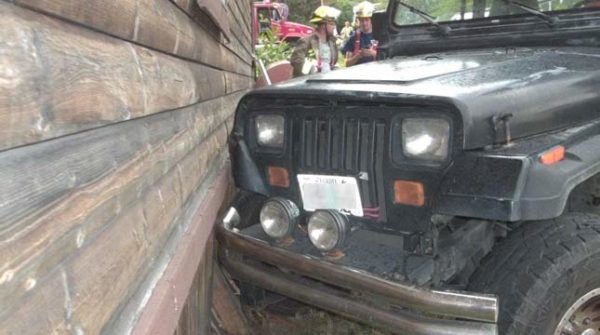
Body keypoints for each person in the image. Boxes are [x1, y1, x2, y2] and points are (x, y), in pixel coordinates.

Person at [290, 6, 339, 77]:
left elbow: (333, 63)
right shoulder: (305, 41)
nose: (334, 27)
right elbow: (296, 63)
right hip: (310, 83)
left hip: (328, 81)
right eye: (331, 24)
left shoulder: (332, 42)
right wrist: (311, 65)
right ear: (323, 25)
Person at [342, 1, 377, 67]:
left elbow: (389, 59)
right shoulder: (353, 38)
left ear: (371, 19)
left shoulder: (380, 35)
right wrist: (359, 55)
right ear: (358, 20)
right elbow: (347, 64)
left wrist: (373, 53)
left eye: (366, 19)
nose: (364, 23)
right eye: (361, 20)